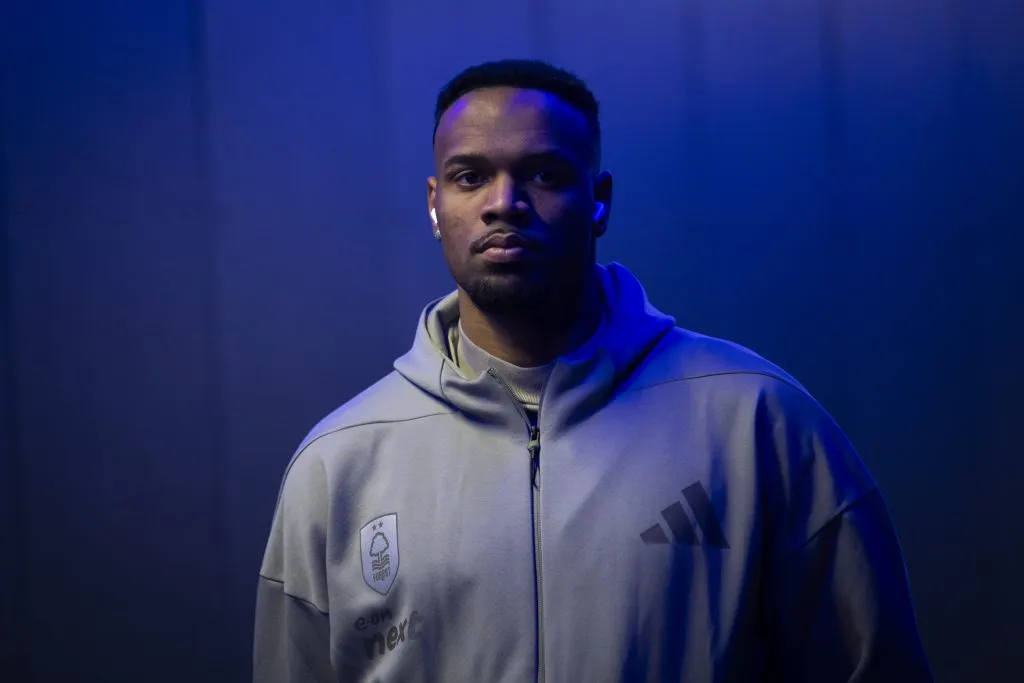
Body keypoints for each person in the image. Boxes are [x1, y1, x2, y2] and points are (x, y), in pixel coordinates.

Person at [253, 59, 933, 682]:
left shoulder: (758, 422)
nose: (504, 202)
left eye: (544, 174)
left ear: (599, 199)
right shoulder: (338, 463)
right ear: (436, 204)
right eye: (470, 176)